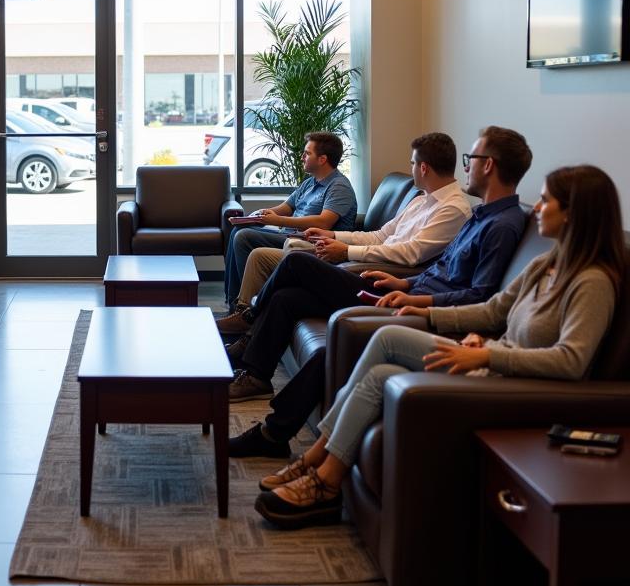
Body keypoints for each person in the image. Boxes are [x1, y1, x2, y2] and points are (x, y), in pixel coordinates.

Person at [253, 164, 625, 530]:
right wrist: (422, 304)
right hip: (493, 363)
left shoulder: (592, 282)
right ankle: (326, 474)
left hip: (516, 383)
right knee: (382, 374)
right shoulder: (547, 263)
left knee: (386, 337)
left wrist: (486, 353)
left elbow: (571, 361)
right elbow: (495, 309)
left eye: (546, 201)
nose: (538, 208)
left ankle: (319, 469)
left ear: (574, 213)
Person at [224, 126, 532, 405]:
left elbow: (425, 262)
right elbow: (387, 237)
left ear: (488, 164)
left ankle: (250, 316)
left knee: (295, 262)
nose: (466, 166)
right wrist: (339, 239)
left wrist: (354, 256)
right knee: (284, 299)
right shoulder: (437, 204)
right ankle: (256, 376)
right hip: (398, 284)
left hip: (403, 293)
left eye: (472, 157)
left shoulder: (466, 213)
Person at [223, 132, 472, 332]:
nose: (411, 169)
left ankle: (248, 318)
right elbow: (380, 235)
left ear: (424, 168)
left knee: (293, 257)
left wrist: (347, 251)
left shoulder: (453, 209)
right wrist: (335, 238)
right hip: (364, 260)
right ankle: (247, 325)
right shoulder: (421, 201)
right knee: (280, 287)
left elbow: (411, 254)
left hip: (381, 274)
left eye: (412, 164)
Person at [223, 132, 357, 309]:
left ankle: (244, 308)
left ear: (322, 159)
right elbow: (286, 207)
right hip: (290, 237)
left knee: (244, 237)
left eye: (307, 153)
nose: (302, 157)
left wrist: (279, 220)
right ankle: (234, 302)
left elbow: (324, 222)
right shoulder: (310, 182)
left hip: (309, 242)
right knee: (238, 231)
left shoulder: (339, 186)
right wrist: (262, 214)